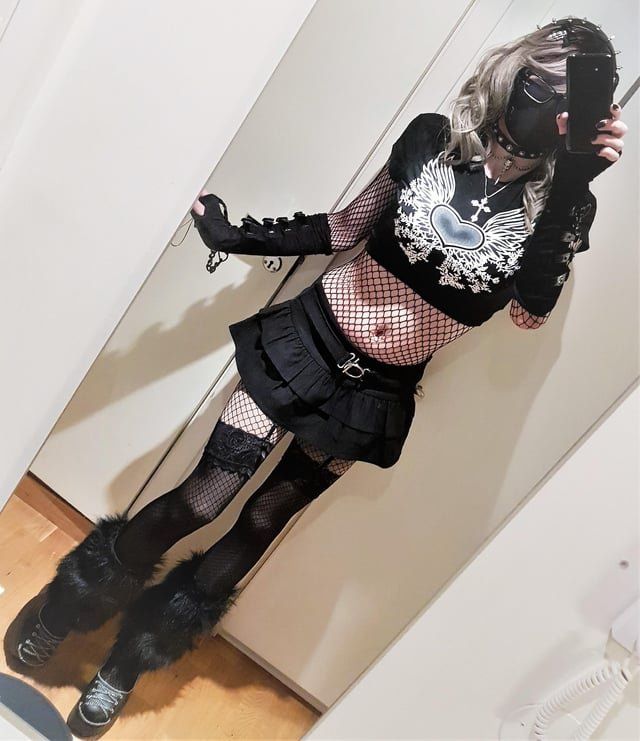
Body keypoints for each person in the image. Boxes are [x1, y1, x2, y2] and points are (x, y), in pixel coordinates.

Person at [5, 16, 627, 738]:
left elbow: (530, 311)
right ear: (515, 73)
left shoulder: (563, 207)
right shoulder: (433, 140)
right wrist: (238, 236)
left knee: (260, 523)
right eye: (547, 83)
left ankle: (126, 664)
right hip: (305, 344)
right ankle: (66, 605)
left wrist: (574, 177)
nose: (557, 106)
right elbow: (345, 227)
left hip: (372, 395)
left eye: (578, 97)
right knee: (202, 498)